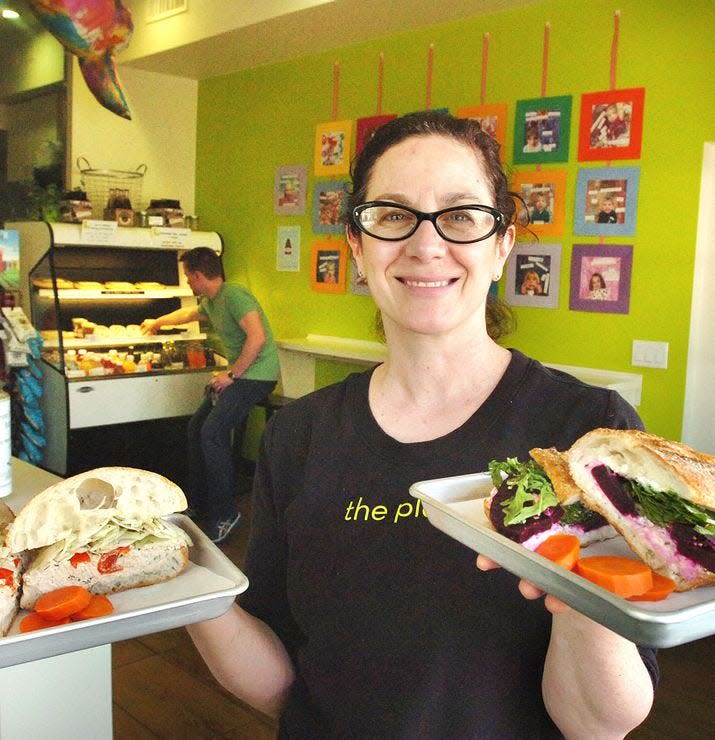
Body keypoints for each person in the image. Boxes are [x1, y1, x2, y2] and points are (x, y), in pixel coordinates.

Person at [186, 111, 656, 736]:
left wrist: (578, 603)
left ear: (502, 247)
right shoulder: (299, 434)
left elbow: (599, 726)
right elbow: (284, 681)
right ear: (358, 246)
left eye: (461, 216)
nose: (426, 245)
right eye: (392, 215)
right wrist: (186, 579)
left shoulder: (587, 433)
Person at [141, 247, 279, 543]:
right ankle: (200, 504)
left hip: (257, 377)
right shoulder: (212, 301)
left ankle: (225, 514)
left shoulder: (234, 296)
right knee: (197, 429)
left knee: (213, 433)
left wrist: (231, 375)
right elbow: (189, 313)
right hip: (240, 377)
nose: (188, 283)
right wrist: (158, 322)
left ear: (199, 275)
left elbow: (258, 337)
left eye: (189, 277)